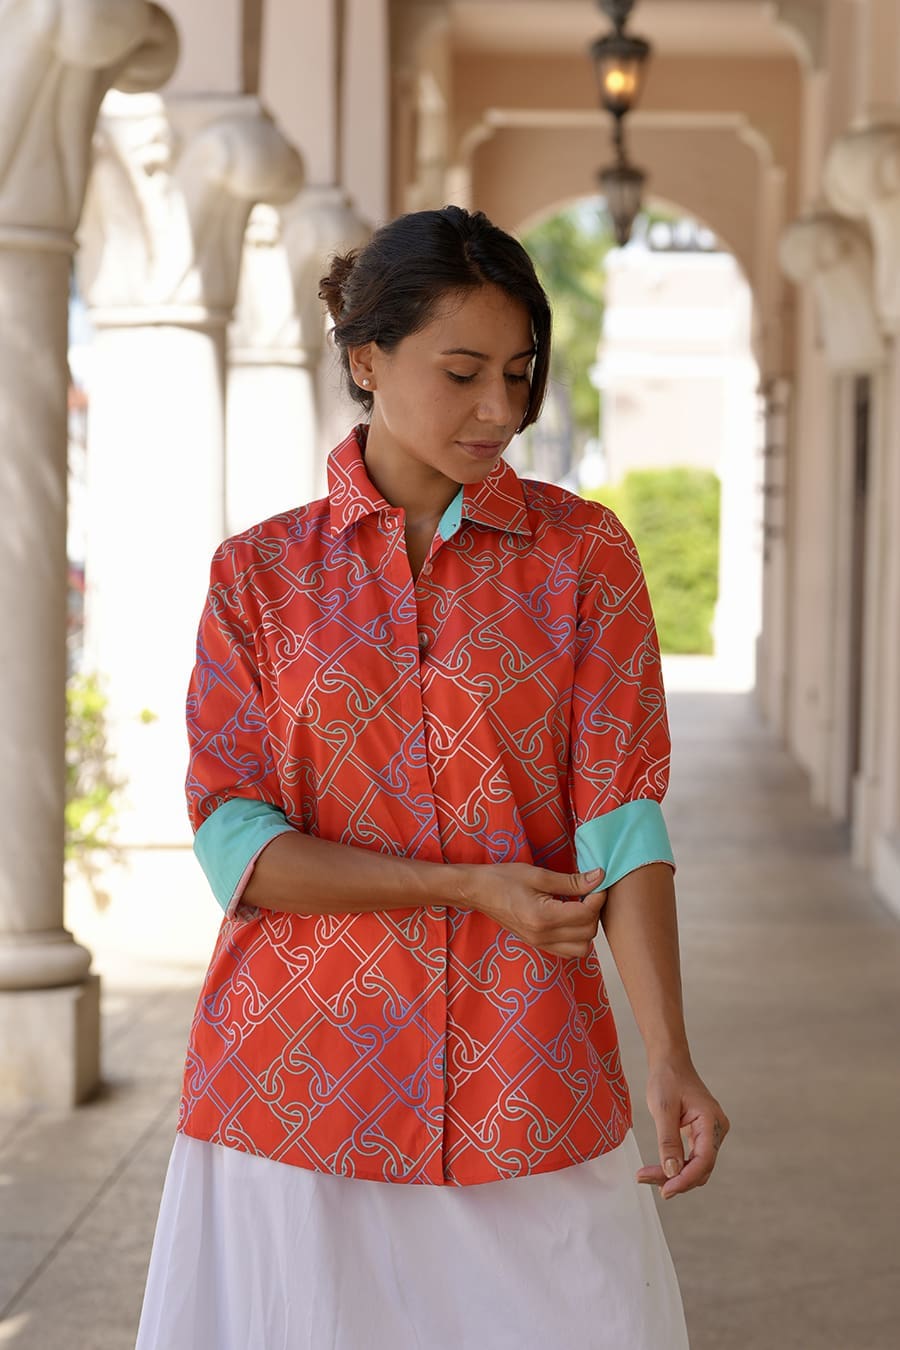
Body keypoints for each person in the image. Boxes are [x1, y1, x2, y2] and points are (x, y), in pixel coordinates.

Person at [135, 205, 728, 1350]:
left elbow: (621, 816)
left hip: (530, 1078)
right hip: (296, 1086)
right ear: (366, 359)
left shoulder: (584, 558)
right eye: (462, 373)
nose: (499, 408)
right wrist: (466, 888)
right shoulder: (259, 576)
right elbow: (237, 847)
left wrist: (670, 1054)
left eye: (518, 372)